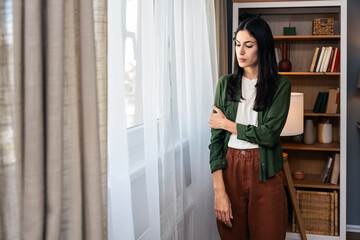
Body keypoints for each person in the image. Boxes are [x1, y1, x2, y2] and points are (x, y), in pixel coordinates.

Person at [208, 17, 291, 240]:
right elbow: (216, 141)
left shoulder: (280, 86)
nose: (240, 51)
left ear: (262, 47)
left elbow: (269, 135)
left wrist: (227, 124)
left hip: (265, 171)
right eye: (237, 44)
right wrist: (219, 191)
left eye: (248, 45)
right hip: (229, 168)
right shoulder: (225, 84)